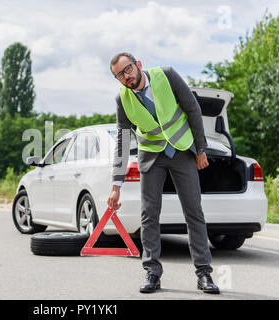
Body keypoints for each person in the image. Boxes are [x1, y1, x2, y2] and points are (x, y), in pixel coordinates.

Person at [107, 52, 220, 294]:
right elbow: (122, 140)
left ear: (138, 65)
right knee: (149, 215)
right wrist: (115, 185)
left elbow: (193, 109)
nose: (126, 77)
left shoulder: (166, 75)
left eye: (128, 70)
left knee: (194, 211)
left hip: (182, 151)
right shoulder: (122, 100)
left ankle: (204, 274)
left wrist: (200, 149)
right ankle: (152, 273)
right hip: (151, 157)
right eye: (120, 75)